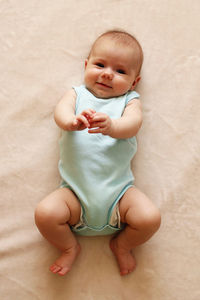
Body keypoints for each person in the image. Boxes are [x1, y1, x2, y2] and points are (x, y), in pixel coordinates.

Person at [35, 30, 161, 276]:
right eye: (100, 64)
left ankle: (122, 245)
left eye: (120, 71)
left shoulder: (129, 101)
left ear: (134, 82)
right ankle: (70, 247)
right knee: (45, 214)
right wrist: (71, 121)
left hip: (119, 196)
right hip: (73, 196)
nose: (107, 73)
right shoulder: (76, 94)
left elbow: (133, 124)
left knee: (150, 218)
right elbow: (60, 113)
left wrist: (113, 126)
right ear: (86, 65)